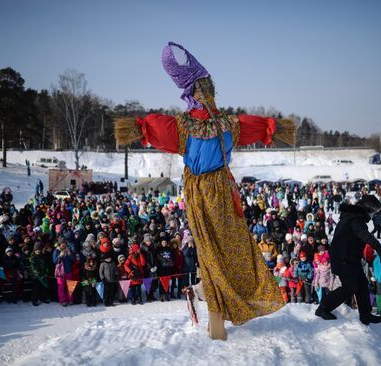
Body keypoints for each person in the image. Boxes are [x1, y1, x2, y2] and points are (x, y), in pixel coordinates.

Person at [115, 42, 288, 339]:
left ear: (189, 95)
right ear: (211, 92)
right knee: (232, 249)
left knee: (211, 254)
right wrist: (277, 128)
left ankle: (218, 317)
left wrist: (137, 125)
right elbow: (262, 126)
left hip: (199, 192)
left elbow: (153, 126)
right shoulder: (231, 124)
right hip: (220, 189)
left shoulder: (181, 127)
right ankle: (224, 306)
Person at [315, 195, 381, 325]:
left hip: (350, 258)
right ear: (367, 209)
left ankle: (365, 315)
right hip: (343, 259)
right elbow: (365, 236)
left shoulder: (352, 216)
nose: (373, 215)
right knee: (350, 287)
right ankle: (323, 308)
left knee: (362, 284)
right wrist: (379, 249)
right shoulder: (356, 219)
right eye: (374, 211)